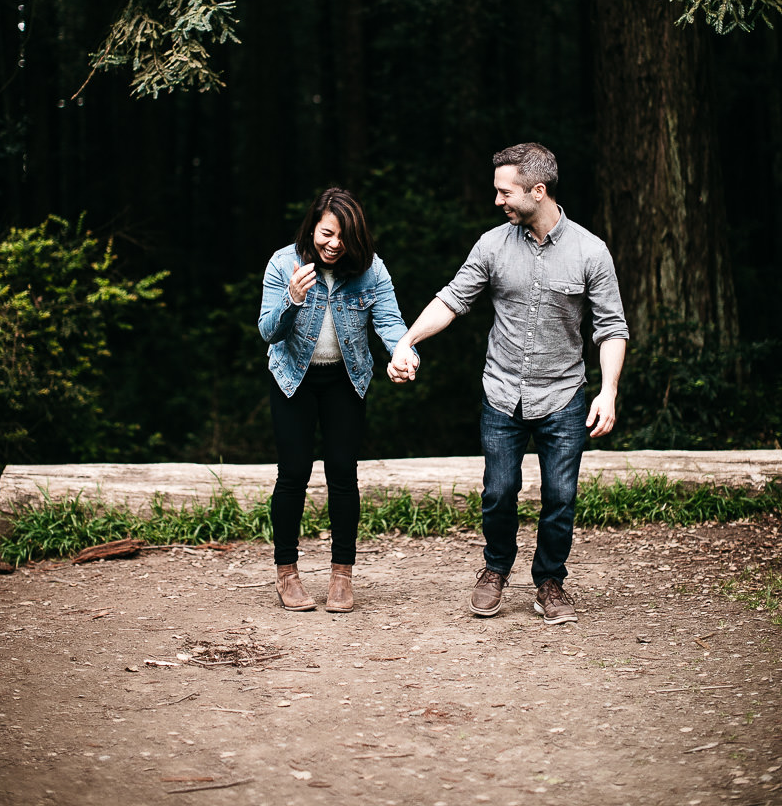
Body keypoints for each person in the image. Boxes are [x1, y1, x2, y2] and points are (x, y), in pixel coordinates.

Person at [388, 143, 628, 624]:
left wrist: (608, 390)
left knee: (560, 498)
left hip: (563, 397)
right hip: (502, 394)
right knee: (499, 491)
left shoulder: (590, 251)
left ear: (538, 192)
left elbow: (612, 328)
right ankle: (495, 569)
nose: (497, 200)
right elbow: (452, 299)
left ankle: (550, 583)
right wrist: (407, 340)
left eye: (505, 192)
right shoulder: (492, 246)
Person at [259, 187, 412, 614]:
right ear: (313, 226)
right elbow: (268, 331)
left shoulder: (371, 271)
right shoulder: (282, 263)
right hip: (294, 378)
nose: (333, 244)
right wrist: (292, 299)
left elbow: (392, 324)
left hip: (346, 378)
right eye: (327, 233)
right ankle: (286, 572)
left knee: (343, 473)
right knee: (293, 473)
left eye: (344, 238)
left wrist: (405, 352)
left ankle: (342, 574)